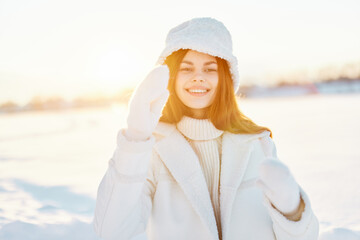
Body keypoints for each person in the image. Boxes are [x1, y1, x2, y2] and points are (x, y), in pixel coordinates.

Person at [93, 17, 319, 240]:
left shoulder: (257, 143)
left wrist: (292, 210)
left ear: (225, 79)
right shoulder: (153, 149)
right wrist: (135, 140)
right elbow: (113, 232)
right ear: (170, 77)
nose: (198, 78)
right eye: (186, 69)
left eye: (210, 69)